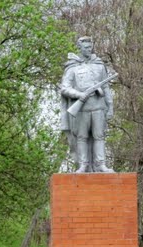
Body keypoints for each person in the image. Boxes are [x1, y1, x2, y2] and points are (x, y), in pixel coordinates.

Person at [60, 36, 114, 173]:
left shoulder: (99, 65)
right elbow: (65, 88)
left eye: (90, 47)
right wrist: (79, 95)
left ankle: (100, 164)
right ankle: (83, 165)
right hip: (81, 109)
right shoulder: (72, 67)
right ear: (79, 48)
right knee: (82, 137)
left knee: (99, 136)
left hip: (98, 107)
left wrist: (110, 107)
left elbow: (106, 88)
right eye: (86, 47)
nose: (89, 50)